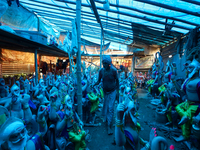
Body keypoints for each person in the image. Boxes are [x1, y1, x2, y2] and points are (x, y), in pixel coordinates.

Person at [93, 55, 119, 135]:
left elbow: (117, 81)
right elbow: (99, 81)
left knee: (110, 107)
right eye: (103, 63)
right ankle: (108, 120)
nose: (104, 65)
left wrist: (117, 92)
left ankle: (109, 126)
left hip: (112, 91)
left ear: (109, 64)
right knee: (107, 106)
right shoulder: (101, 71)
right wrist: (94, 84)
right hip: (105, 91)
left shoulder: (114, 71)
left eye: (105, 63)